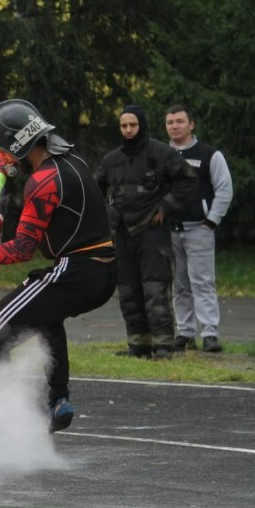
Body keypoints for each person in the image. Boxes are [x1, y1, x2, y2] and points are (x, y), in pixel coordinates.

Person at [0, 99, 117, 433]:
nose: (3, 159)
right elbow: (11, 155)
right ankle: (58, 401)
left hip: (78, 270)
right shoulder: (68, 158)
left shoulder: (43, 182)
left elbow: (22, 248)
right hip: (103, 270)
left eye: (3, 151)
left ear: (17, 145)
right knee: (46, 314)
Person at [95, 105, 196, 360]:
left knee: (155, 290)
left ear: (142, 125)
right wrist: (108, 213)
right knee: (128, 291)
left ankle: (164, 346)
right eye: (123, 126)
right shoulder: (111, 160)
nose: (128, 130)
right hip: (123, 234)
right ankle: (138, 345)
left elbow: (188, 180)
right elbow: (93, 189)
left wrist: (166, 206)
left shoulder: (162, 153)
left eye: (133, 125)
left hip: (153, 232)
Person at [165, 104, 233, 353]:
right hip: (170, 230)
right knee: (179, 283)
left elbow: (224, 188)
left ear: (191, 124)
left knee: (202, 282)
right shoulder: (160, 154)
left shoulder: (209, 154)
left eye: (179, 121)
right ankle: (185, 332)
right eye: (170, 122)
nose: (175, 126)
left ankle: (210, 333)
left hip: (199, 229)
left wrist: (212, 219)